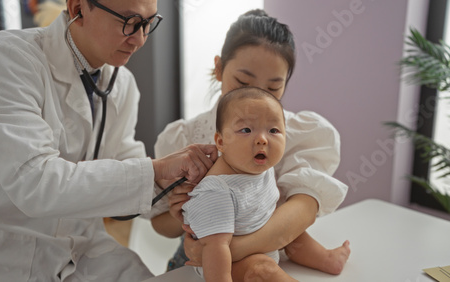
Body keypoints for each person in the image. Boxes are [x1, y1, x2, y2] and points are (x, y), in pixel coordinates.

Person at [0, 0, 217, 281]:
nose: (140, 39)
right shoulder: (8, 61)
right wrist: (157, 170)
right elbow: (35, 183)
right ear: (78, 9)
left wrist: (183, 188)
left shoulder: (121, 84)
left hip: (81, 248)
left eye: (148, 23)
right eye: (129, 22)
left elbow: (124, 161)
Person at [150, 9, 350, 275]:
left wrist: (227, 250)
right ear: (219, 68)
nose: (254, 96)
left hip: (268, 251)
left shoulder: (300, 134)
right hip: (198, 258)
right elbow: (159, 224)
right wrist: (183, 215)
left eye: (272, 88)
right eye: (242, 82)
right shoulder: (183, 137)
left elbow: (304, 208)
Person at [182, 86, 295, 281]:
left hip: (261, 242)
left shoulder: (261, 168)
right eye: (246, 130)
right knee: (263, 269)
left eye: (273, 130)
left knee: (295, 232)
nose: (262, 140)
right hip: (227, 264)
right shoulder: (217, 190)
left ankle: (326, 259)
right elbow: (216, 250)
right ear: (220, 141)